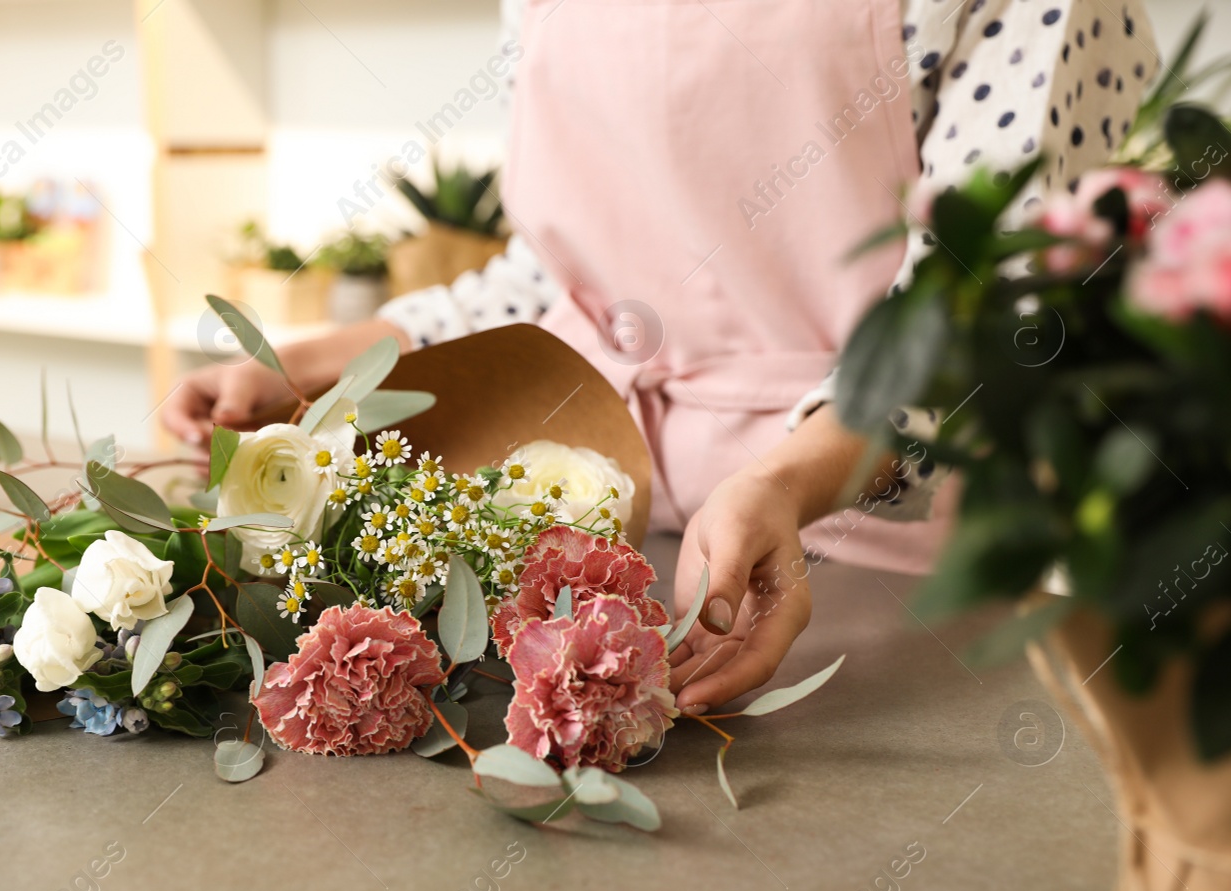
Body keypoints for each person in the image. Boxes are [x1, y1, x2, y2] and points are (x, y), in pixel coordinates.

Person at [164, 0, 1158, 712]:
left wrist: (779, 483)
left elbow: (989, 301)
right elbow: (557, 279)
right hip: (581, 520)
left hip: (877, 552)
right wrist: (312, 365)